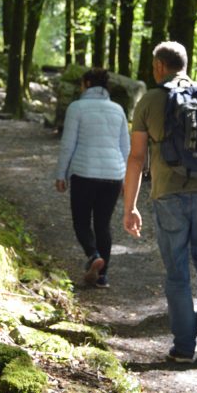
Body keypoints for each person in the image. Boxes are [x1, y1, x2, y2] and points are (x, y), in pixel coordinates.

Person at [123, 42, 197, 362]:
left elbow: (136, 158)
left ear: (159, 66)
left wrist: (130, 206)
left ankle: (184, 347)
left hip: (168, 193)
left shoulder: (150, 100)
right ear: (185, 65)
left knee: (177, 271)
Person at [55, 67, 131, 287]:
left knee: (81, 221)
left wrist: (61, 174)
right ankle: (103, 276)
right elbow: (125, 147)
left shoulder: (76, 107)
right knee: (103, 224)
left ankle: (92, 255)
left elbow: (68, 144)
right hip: (113, 176)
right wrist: (127, 180)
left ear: (87, 84)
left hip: (84, 173)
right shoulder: (118, 109)